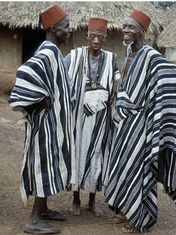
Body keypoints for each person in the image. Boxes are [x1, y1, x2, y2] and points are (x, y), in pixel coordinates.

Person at [104, 10, 176, 233]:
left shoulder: (151, 56)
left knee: (140, 170)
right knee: (122, 167)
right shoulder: (128, 52)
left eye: (131, 27)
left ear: (142, 32)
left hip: (141, 124)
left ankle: (141, 219)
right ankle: (123, 210)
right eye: (124, 26)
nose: (126, 30)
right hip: (124, 124)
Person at [9, 5, 74, 234]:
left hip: (52, 123)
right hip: (46, 125)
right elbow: (24, 75)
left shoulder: (54, 51)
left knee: (50, 163)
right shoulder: (47, 53)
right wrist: (38, 103)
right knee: (43, 166)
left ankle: (43, 209)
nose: (70, 30)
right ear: (54, 29)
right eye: (66, 27)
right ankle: (34, 220)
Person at [65, 17, 120, 217]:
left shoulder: (111, 59)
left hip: (101, 119)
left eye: (101, 37)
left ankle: (92, 200)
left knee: (97, 156)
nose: (97, 40)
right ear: (87, 37)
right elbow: (62, 74)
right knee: (78, 155)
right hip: (80, 117)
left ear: (105, 38)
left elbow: (117, 80)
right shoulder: (76, 56)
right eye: (93, 36)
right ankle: (76, 199)